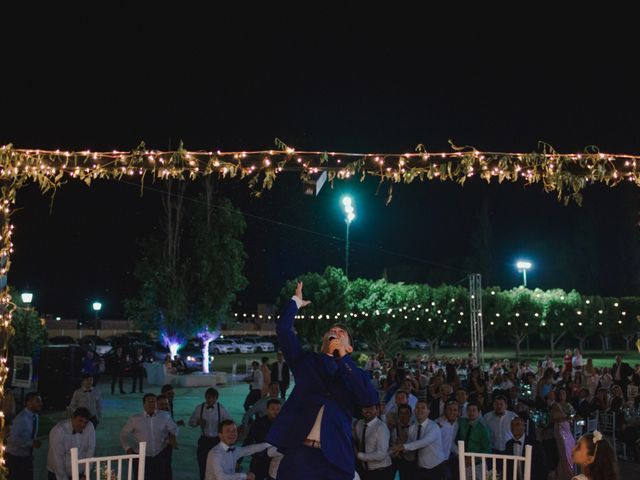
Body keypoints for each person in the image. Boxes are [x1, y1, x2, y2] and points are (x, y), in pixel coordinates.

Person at [265, 282, 378, 480]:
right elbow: (283, 330)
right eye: (332, 330)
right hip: (299, 456)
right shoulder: (306, 362)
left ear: (349, 348)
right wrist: (295, 303)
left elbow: (368, 398)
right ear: (324, 338)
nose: (336, 332)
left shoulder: (355, 374)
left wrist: (342, 359)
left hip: (334, 460)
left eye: (341, 333)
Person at [120, 393, 178, 480]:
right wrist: (127, 448)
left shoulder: (164, 416)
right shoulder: (135, 419)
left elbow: (174, 428)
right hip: (141, 457)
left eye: (154, 401)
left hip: (159, 455)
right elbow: (123, 434)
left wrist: (173, 436)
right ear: (144, 404)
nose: (152, 404)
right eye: (149, 401)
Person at [390, 401, 446, 480]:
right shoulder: (412, 428)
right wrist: (399, 449)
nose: (420, 410)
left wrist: (403, 446)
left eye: (423, 408)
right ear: (414, 411)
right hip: (420, 468)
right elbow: (411, 447)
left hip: (436, 468)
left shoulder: (434, 427)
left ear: (428, 411)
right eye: (417, 408)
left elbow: (424, 442)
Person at [189, 387, 232, 480]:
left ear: (216, 398)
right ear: (205, 397)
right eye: (208, 397)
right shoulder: (199, 408)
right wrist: (197, 422)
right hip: (204, 440)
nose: (210, 400)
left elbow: (229, 422)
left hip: (217, 440)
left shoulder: (221, 409)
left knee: (218, 465)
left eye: (213, 398)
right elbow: (191, 422)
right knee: (202, 464)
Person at [205, 419, 270, 480]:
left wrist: (270, 443)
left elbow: (249, 449)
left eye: (234, 430)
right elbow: (221, 477)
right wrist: (244, 476)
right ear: (220, 435)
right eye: (228, 431)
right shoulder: (215, 454)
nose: (232, 434)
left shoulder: (234, 449)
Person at [46, 407, 96, 480]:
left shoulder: (90, 427)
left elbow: (91, 450)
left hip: (80, 474)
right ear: (72, 418)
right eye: (80, 421)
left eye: (85, 422)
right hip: (57, 474)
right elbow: (57, 459)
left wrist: (86, 474)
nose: (82, 425)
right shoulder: (58, 431)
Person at [5, 392, 43, 480]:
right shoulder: (21, 419)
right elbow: (10, 439)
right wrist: (30, 443)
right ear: (29, 403)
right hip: (15, 459)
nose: (41, 404)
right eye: (37, 401)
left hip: (26, 457)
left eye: (40, 401)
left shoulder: (35, 416)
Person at [244, 399, 283, 480]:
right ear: (267, 410)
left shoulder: (283, 424)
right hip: (259, 460)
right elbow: (248, 440)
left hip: (275, 460)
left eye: (278, 409)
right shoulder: (259, 422)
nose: (276, 412)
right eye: (273, 409)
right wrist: (239, 460)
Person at [353, 404, 393, 480]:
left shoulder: (381, 427)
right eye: (365, 408)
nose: (368, 410)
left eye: (371, 408)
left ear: (377, 410)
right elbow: (356, 441)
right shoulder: (359, 424)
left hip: (381, 471)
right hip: (365, 471)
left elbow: (381, 454)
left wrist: (360, 455)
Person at [505, 416, 548, 480]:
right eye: (512, 425)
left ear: (524, 427)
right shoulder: (508, 444)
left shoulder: (535, 444)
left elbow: (543, 465)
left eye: (517, 424)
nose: (514, 427)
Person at [455, 402, 491, 479]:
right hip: (464, 462)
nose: (471, 413)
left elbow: (487, 450)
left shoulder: (483, 429)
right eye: (469, 410)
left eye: (474, 410)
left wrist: (472, 459)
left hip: (478, 464)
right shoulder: (462, 422)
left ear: (478, 413)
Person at [389, 404, 414, 480]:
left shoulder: (415, 428)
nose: (404, 415)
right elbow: (393, 447)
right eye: (401, 413)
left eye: (406, 413)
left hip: (412, 463)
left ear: (411, 414)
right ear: (398, 415)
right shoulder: (394, 430)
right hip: (399, 461)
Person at [435, 401, 459, 479]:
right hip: (437, 461)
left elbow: (450, 442)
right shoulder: (437, 424)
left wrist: (460, 453)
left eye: (455, 410)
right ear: (445, 410)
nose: (452, 412)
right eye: (450, 409)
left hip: (448, 459)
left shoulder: (457, 424)